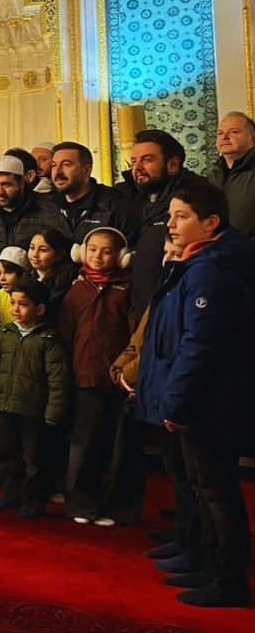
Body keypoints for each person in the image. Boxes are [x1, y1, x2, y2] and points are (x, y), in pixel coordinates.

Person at [137, 182, 254, 607]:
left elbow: (200, 344)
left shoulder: (211, 269)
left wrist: (178, 401)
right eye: (170, 215)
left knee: (216, 492)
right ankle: (201, 557)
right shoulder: (195, 261)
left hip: (209, 401)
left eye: (181, 216)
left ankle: (227, 578)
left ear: (211, 222)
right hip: (197, 395)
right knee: (200, 487)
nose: (170, 224)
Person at [57, 227, 139, 527]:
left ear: (121, 256)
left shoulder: (128, 288)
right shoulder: (77, 289)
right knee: (85, 443)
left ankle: (117, 507)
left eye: (107, 251)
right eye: (92, 249)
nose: (98, 256)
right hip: (85, 376)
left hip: (120, 379)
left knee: (118, 446)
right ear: (82, 252)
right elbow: (65, 334)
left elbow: (135, 334)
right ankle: (82, 503)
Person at [0, 280, 69, 519]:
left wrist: (53, 414)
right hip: (7, 407)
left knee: (35, 458)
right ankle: (10, 494)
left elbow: (58, 381)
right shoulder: (6, 334)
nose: (15, 309)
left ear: (40, 309)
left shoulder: (48, 339)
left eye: (23, 304)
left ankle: (34, 501)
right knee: (5, 454)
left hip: (34, 411)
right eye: (13, 303)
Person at [0, 155, 68, 310]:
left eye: (6, 185)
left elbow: (62, 257)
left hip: (33, 302)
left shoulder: (46, 211)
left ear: (21, 182)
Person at [127, 129, 205, 319]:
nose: (137, 168)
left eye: (147, 160)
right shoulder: (147, 198)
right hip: (151, 307)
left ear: (173, 164)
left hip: (180, 308)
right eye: (133, 161)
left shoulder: (194, 196)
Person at [50, 141, 142, 243]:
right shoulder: (48, 206)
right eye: (54, 165)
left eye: (66, 165)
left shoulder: (116, 207)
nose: (58, 172)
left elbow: (133, 248)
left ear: (87, 170)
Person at [208, 111, 255, 237]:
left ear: (252, 138)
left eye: (234, 132)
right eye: (220, 133)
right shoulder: (214, 173)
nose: (224, 137)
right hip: (218, 246)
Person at [0, 246, 29, 329]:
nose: (2, 278)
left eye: (8, 272)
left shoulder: (29, 296)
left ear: (21, 273)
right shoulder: (1, 294)